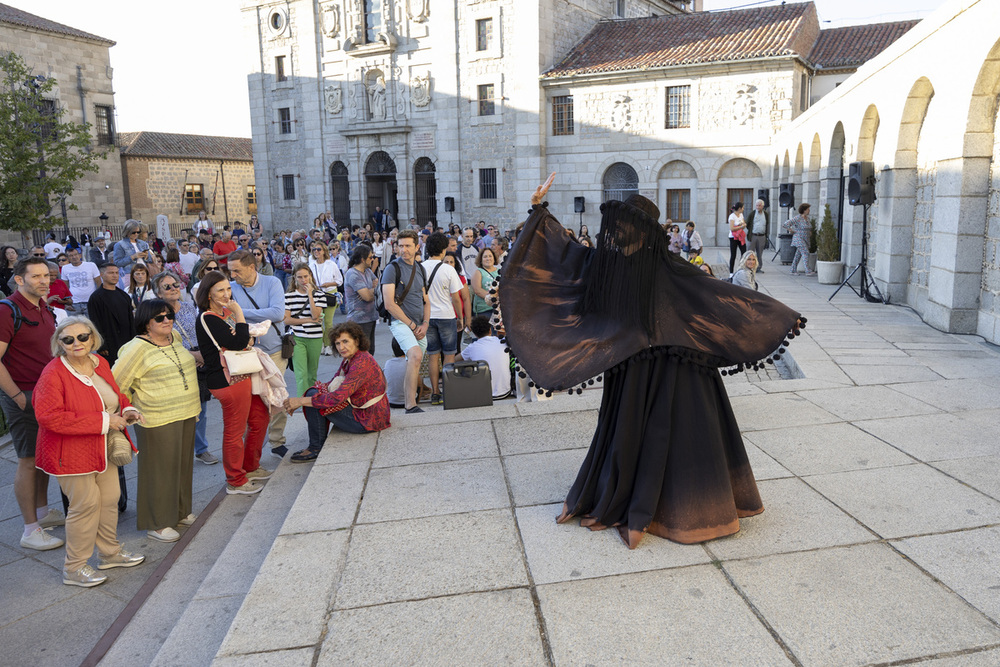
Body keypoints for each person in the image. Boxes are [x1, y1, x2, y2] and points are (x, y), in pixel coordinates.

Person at [499, 175, 803, 549]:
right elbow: (562, 258)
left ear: (641, 230)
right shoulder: (605, 266)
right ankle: (632, 495)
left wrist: (774, 313)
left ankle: (676, 504)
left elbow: (716, 294)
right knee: (632, 434)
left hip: (676, 369)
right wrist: (538, 211)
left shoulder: (671, 267)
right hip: (631, 369)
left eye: (626, 227)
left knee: (677, 437)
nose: (619, 234)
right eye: (618, 226)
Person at [33, 316, 145, 586]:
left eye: (83, 337)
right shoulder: (53, 373)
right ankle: (74, 567)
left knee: (109, 500)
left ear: (93, 338)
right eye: (68, 339)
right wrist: (106, 422)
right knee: (84, 506)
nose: (77, 343)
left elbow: (114, 395)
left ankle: (110, 553)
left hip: (102, 447)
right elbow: (49, 417)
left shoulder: (100, 362)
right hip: (70, 453)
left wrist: (126, 409)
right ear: (59, 344)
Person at [114, 300, 201, 542]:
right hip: (156, 417)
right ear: (145, 322)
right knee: (160, 471)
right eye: (159, 318)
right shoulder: (135, 348)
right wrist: (129, 406)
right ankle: (158, 523)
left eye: (169, 314)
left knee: (182, 465)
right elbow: (117, 383)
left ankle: (180, 511)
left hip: (186, 412)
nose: (167, 320)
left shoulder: (175, 336)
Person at [0, 257, 64, 551]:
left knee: (42, 457)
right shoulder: (7, 310)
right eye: (35, 276)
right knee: (27, 460)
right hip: (22, 394)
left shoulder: (45, 307)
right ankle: (30, 529)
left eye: (45, 276)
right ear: (19, 280)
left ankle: (41, 512)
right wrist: (16, 396)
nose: (43, 281)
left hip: (45, 394)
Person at [195, 270, 271, 495]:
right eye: (220, 290)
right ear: (208, 294)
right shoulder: (208, 317)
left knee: (259, 418)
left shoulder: (224, 313)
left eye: (228, 288)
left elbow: (246, 339)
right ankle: (235, 480)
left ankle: (250, 467)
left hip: (244, 374)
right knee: (235, 431)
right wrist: (239, 314)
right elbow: (239, 341)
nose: (227, 293)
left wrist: (241, 329)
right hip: (227, 380)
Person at [284, 321, 390, 462]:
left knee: (312, 398)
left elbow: (337, 398)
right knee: (314, 393)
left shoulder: (361, 362)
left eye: (345, 341)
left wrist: (301, 401)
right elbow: (333, 382)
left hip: (368, 419)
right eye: (338, 343)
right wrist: (313, 394)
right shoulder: (352, 358)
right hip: (367, 412)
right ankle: (316, 443)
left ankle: (315, 447)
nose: (341, 347)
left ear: (357, 341)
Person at [227, 250, 288, 459]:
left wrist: (240, 312)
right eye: (230, 271)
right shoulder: (231, 288)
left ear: (252, 268)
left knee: (276, 396)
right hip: (245, 354)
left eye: (237, 271)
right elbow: (226, 315)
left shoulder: (272, 283)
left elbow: (278, 313)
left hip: (275, 350)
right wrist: (259, 313)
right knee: (252, 400)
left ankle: (277, 440)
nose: (233, 275)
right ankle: (251, 444)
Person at [153, 271, 218, 465]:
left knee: (202, 409)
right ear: (158, 293)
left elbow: (201, 331)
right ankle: (180, 450)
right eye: (167, 286)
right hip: (175, 364)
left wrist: (203, 355)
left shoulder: (189, 307)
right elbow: (160, 342)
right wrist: (192, 355)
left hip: (199, 362)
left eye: (175, 284)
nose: (174, 289)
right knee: (180, 410)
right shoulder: (156, 315)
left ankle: (201, 449)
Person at [380, 229, 429, 414]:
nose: (404, 250)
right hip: (401, 322)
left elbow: (426, 300)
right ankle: (410, 405)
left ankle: (412, 398)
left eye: (408, 246)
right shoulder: (392, 269)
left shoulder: (420, 268)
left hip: (419, 324)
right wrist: (413, 325)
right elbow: (389, 304)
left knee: (415, 362)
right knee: (415, 355)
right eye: (400, 246)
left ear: (417, 247)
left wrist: (425, 323)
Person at [422, 232, 465, 405]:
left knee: (433, 355)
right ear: (443, 249)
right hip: (447, 316)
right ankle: (449, 390)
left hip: (427, 317)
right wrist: (460, 317)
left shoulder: (420, 267)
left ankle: (435, 392)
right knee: (449, 355)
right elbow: (456, 297)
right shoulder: (448, 269)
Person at [284, 263, 326, 397]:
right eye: (300, 277)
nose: (303, 280)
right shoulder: (288, 296)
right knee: (301, 374)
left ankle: (312, 401)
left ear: (311, 277)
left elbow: (316, 315)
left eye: (306, 276)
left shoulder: (319, 295)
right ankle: (302, 403)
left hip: (315, 337)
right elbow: (287, 320)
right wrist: (307, 320)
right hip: (297, 338)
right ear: (295, 278)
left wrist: (310, 294)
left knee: (312, 374)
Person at [88, 264, 134, 367]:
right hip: (109, 344)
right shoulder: (96, 298)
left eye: (116, 273)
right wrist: (101, 345)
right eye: (111, 273)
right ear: (102, 275)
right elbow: (95, 323)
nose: (115, 275)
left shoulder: (124, 295)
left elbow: (131, 320)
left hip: (127, 342)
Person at [457, 314, 512, 400]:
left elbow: (454, 360)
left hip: (483, 395)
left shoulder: (472, 347)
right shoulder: (502, 341)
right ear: (490, 330)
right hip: (505, 392)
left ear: (474, 334)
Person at [308, 241, 342, 354]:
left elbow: (339, 281)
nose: (316, 251)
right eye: (314, 249)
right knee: (317, 321)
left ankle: (328, 345)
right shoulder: (311, 265)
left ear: (324, 251)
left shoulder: (331, 264)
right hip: (316, 294)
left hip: (329, 293)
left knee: (328, 322)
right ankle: (321, 343)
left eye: (319, 249)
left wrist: (328, 284)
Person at [344, 245, 379, 354]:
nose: (372, 259)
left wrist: (370, 290)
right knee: (362, 354)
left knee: (370, 352)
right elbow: (367, 297)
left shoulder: (367, 271)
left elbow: (378, 285)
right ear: (362, 259)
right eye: (370, 257)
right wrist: (373, 291)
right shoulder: (353, 274)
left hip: (371, 318)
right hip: (359, 320)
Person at [61, 248, 101, 318]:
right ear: (67, 258)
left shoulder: (91, 265)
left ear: (80, 255)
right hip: (74, 303)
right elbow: (65, 287)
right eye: (71, 255)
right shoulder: (65, 268)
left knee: (92, 325)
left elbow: (99, 283)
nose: (74, 257)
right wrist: (67, 303)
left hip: (90, 302)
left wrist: (98, 299)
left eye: (75, 254)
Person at [784, 202, 815, 276]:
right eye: (808, 209)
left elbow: (808, 227)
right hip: (798, 238)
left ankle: (793, 270)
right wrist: (790, 230)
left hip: (805, 239)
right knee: (805, 252)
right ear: (804, 210)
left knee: (798, 255)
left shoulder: (807, 219)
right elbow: (786, 224)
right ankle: (807, 270)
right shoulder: (798, 218)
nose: (809, 211)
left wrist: (809, 232)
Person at [470, 247, 500, 318]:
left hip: (498, 309)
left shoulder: (499, 271)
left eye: (490, 256)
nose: (488, 258)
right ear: (481, 260)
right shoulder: (478, 272)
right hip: (485, 310)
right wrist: (494, 298)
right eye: (485, 257)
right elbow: (478, 290)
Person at [383, 338, 407, 409]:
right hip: (407, 402)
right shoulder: (410, 363)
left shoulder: (388, 363)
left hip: (390, 402)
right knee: (418, 378)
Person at [746, 199, 768, 272]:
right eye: (757, 205)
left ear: (762, 206)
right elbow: (747, 223)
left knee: (759, 253)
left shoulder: (766, 214)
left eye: (759, 205)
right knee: (750, 252)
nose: (758, 207)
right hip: (753, 235)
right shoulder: (752, 213)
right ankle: (749, 267)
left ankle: (758, 268)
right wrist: (750, 231)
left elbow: (767, 224)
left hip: (762, 236)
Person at [728, 202, 747, 275]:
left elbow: (743, 223)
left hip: (740, 236)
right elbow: (732, 228)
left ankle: (742, 269)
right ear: (739, 208)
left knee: (744, 253)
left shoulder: (741, 215)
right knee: (733, 255)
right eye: (742, 208)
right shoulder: (732, 216)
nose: (743, 209)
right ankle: (731, 272)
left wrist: (743, 225)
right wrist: (740, 227)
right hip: (733, 237)